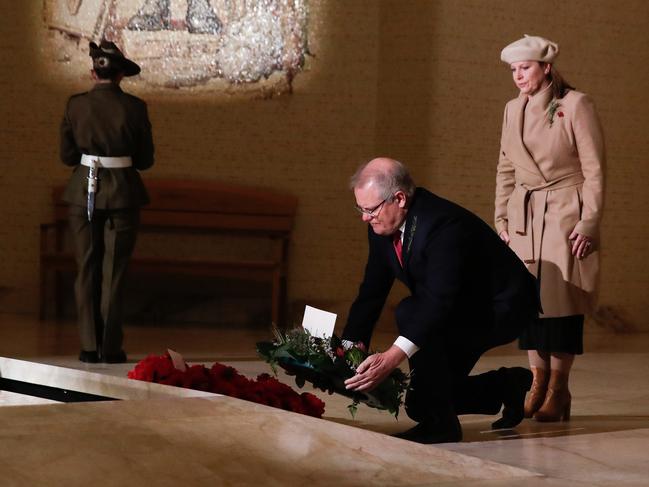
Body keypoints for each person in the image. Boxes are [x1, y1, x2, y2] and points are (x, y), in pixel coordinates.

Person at [343, 158, 539, 444]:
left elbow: (438, 302)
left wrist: (392, 358)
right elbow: (372, 289)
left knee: (424, 390)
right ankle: (505, 386)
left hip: (500, 306)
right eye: (360, 209)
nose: (364, 217)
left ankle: (442, 426)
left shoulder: (442, 224)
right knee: (424, 395)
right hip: (457, 306)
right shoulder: (381, 224)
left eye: (369, 209)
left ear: (399, 198)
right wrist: (349, 346)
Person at [496, 35, 605, 421]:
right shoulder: (512, 109)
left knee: (562, 304)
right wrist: (501, 218)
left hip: (565, 211)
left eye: (525, 67)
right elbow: (506, 167)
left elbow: (593, 170)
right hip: (524, 215)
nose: (518, 76)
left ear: (545, 68)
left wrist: (589, 221)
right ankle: (536, 382)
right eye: (513, 69)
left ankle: (558, 388)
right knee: (528, 302)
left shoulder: (576, 105)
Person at [60, 40, 155, 363]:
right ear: (120, 76)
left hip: (81, 191)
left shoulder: (75, 105)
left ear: (93, 72)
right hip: (123, 192)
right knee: (114, 271)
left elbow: (67, 155)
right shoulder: (135, 107)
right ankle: (111, 347)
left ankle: (88, 346)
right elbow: (144, 160)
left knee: (86, 268)